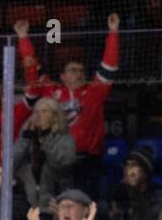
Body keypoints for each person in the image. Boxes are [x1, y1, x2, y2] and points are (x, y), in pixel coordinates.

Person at [18, 13, 120, 198]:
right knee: (55, 206)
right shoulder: (50, 91)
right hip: (57, 160)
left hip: (88, 161)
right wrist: (23, 38)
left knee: (86, 207)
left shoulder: (95, 92)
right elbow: (32, 69)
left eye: (81, 71)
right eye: (73, 70)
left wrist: (113, 32)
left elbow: (110, 65)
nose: (79, 74)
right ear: (63, 76)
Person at [14, 97, 76, 212]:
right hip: (27, 204)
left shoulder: (65, 139)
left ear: (55, 116)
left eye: (44, 111)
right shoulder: (28, 139)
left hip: (53, 203)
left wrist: (45, 137)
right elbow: (11, 164)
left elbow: (61, 164)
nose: (38, 116)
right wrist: (24, 139)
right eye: (36, 112)